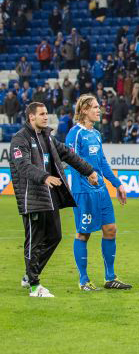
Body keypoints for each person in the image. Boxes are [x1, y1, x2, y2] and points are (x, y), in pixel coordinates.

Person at [11, 102, 98, 297]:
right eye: (42, 114)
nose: (46, 117)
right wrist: (44, 177)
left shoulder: (47, 137)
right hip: (31, 197)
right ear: (31, 117)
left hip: (49, 197)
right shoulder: (19, 140)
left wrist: (89, 170)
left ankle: (29, 274)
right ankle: (34, 286)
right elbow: (22, 166)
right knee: (34, 241)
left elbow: (68, 154)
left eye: (47, 113)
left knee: (55, 236)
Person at [65, 95, 131, 291]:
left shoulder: (96, 134)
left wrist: (117, 184)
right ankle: (83, 280)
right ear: (84, 110)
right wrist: (88, 174)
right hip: (83, 192)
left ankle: (110, 277)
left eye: (98, 107)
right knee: (83, 233)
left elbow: (102, 162)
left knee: (110, 229)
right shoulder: (74, 134)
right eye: (94, 107)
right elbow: (71, 160)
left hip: (101, 191)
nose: (98, 110)